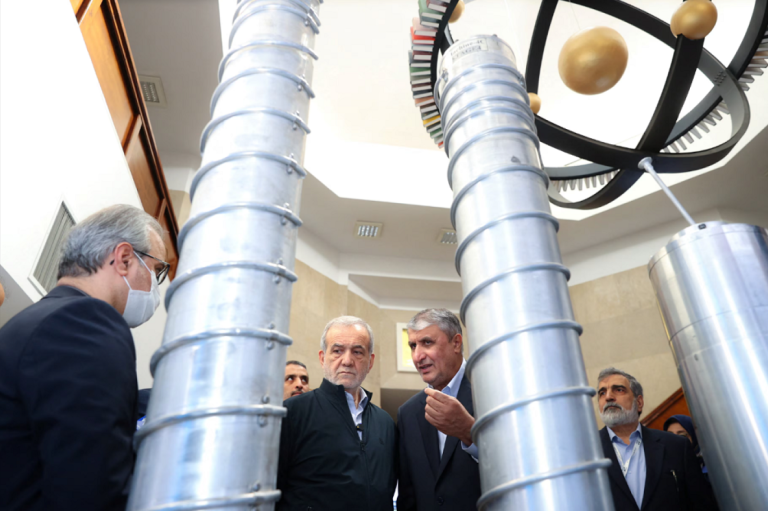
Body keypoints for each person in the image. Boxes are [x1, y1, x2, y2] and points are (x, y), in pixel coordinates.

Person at [0, 204, 169, 511]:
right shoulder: (85, 321)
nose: (155, 288)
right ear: (124, 258)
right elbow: (92, 487)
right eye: (156, 271)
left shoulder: (37, 320)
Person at [277, 316, 396, 510]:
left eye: (357, 352)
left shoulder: (386, 423)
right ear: (322, 358)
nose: (347, 361)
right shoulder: (292, 413)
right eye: (337, 351)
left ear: (370, 361)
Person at [596, 368, 718, 511]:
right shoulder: (585, 452)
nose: (608, 397)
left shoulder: (676, 446)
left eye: (619, 390)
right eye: (602, 393)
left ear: (639, 402)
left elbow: (701, 504)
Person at [397, 308, 481, 511]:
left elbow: (519, 465)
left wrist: (469, 433)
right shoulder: (407, 413)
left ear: (456, 343)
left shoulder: (493, 393)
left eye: (427, 342)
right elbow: (408, 496)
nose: (418, 356)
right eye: (413, 346)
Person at [664, 414, 709, 479]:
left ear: (694, 436)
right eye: (670, 436)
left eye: (682, 436)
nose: (675, 440)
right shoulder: (667, 467)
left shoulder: (710, 462)